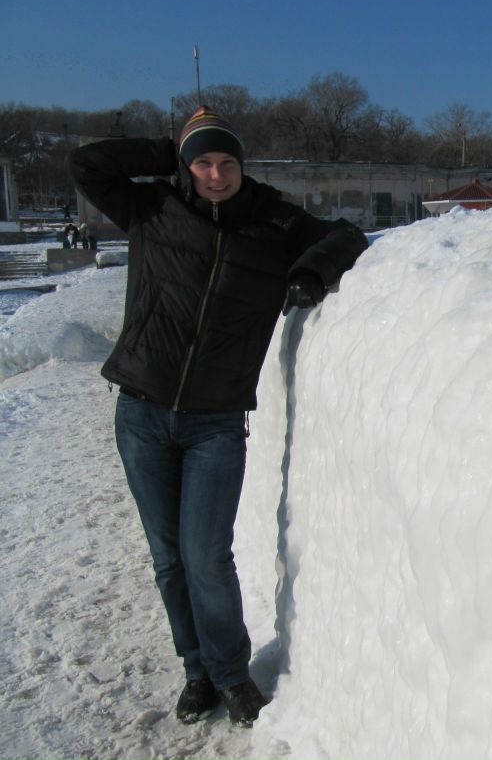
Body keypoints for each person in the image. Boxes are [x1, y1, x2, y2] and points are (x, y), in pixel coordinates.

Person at [67, 106, 367, 727]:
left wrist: (311, 270)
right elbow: (87, 165)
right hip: (143, 413)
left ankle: (231, 675)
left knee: (206, 556)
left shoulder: (274, 218)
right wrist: (167, 150)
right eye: (202, 161)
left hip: (215, 423)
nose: (215, 173)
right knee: (169, 557)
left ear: (241, 166)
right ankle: (195, 672)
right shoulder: (152, 209)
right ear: (186, 164)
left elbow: (346, 235)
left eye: (227, 161)